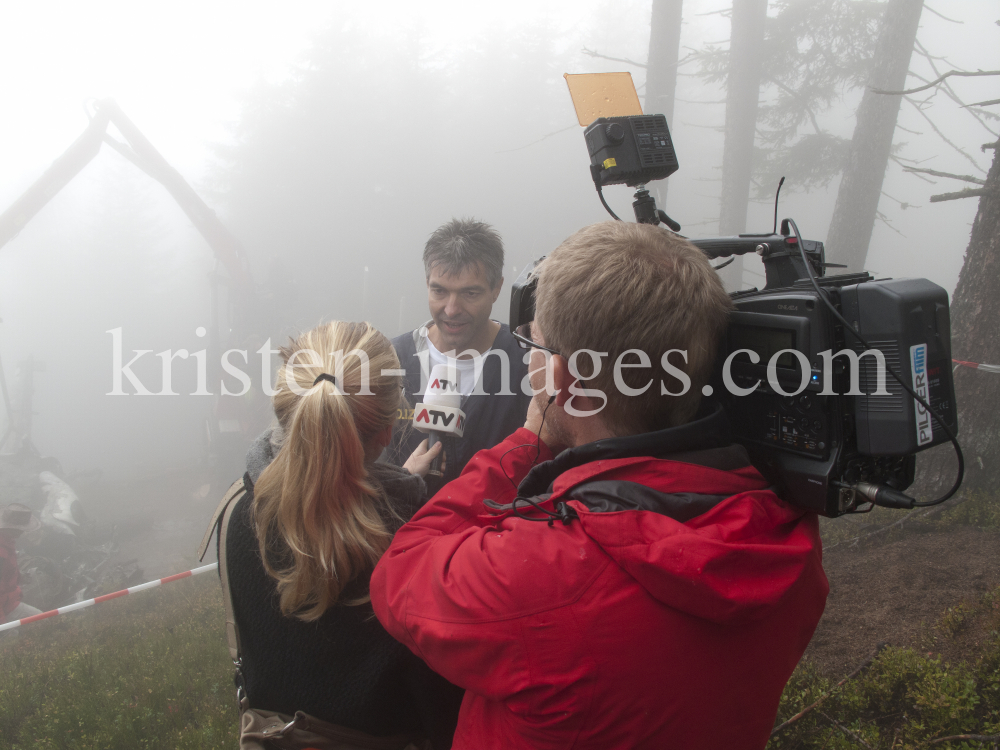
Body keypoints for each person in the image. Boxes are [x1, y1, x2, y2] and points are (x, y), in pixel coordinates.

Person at [370, 222, 830, 749]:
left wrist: (526, 441)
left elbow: (401, 574)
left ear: (562, 377)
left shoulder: (539, 575)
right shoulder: (789, 540)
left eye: (533, 345)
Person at [222, 321, 463, 749]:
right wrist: (403, 496)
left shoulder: (242, 511)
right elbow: (439, 699)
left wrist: (390, 487)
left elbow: (327, 509)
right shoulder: (409, 538)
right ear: (387, 432)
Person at [382, 219, 531, 492]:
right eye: (439, 290)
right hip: (404, 530)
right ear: (426, 283)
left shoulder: (529, 361)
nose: (451, 309)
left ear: (497, 289)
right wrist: (401, 483)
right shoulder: (391, 362)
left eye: (469, 293)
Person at [0, 503, 42, 623]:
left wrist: (19, 576)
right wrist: (2, 622)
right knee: (42, 621)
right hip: (5, 607)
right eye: (20, 529)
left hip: (8, 600)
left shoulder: (7, 541)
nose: (22, 532)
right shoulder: (1, 552)